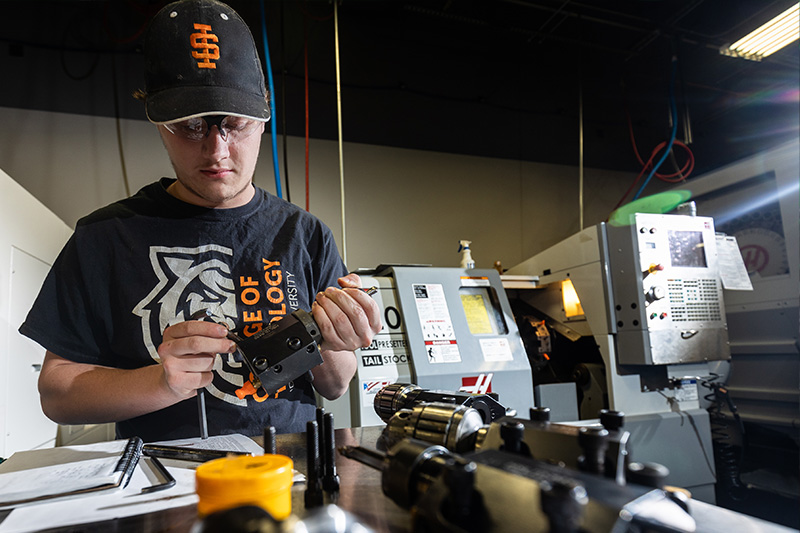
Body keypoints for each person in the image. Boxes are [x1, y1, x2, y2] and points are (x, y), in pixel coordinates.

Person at [19, 0, 381, 442]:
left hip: (289, 475)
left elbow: (335, 384)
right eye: (190, 127)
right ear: (157, 122)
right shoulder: (106, 236)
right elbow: (57, 395)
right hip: (164, 486)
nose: (217, 151)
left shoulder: (305, 234)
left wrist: (338, 337)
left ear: (263, 120)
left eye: (235, 124)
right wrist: (159, 382)